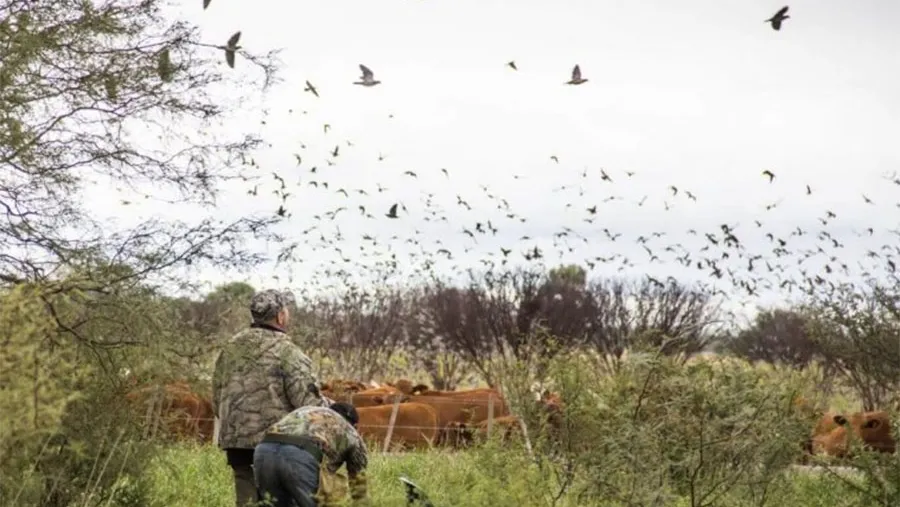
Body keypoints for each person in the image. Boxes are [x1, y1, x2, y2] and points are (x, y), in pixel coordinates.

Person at [212, 288, 327, 507]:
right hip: (277, 446)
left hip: (237, 444)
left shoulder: (229, 349)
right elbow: (308, 404)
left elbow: (217, 397)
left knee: (246, 500)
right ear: (280, 316)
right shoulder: (288, 351)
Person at [253, 403, 370, 507]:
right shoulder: (351, 431)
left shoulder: (307, 410)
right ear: (355, 426)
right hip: (299, 456)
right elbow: (359, 481)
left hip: (263, 450)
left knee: (271, 503)